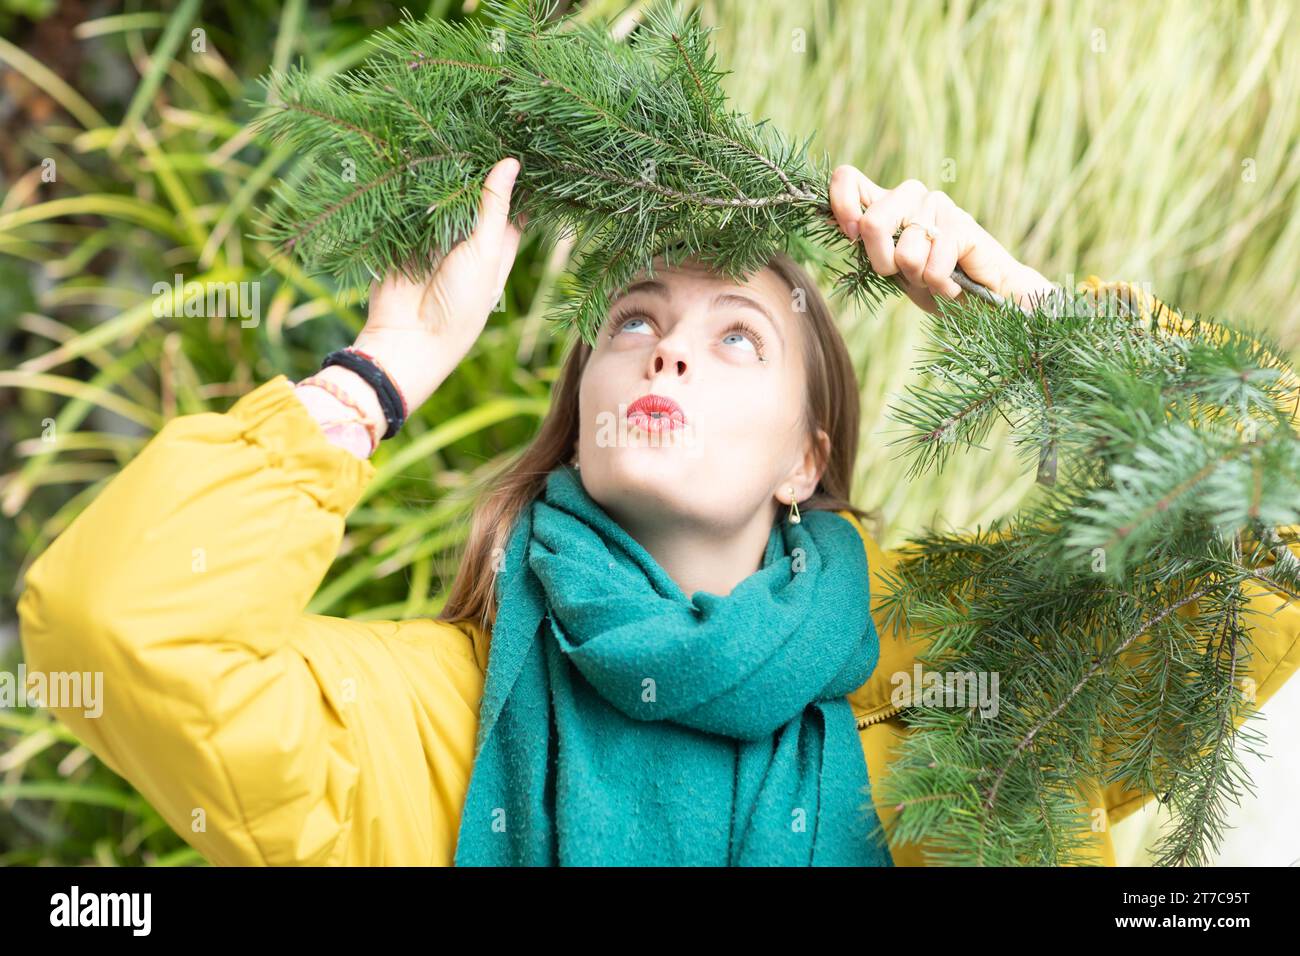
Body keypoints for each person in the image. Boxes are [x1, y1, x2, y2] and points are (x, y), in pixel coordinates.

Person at [17, 159, 1300, 866]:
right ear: (584, 407)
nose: (666, 353)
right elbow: (114, 631)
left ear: (807, 458)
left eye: (737, 337)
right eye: (635, 321)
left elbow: (1270, 521)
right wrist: (379, 366)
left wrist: (1029, 320)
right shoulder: (428, 730)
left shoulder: (979, 671)